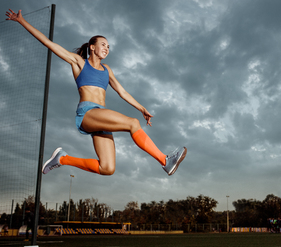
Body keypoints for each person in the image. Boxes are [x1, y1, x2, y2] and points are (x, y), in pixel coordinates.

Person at [6, 9, 186, 176]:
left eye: (108, 47)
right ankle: (165, 160)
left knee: (107, 168)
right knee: (133, 124)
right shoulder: (79, 62)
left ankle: (62, 158)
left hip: (101, 117)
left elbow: (122, 92)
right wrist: (22, 21)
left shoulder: (107, 70)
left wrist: (142, 108)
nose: (107, 48)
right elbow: (48, 43)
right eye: (103, 45)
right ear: (92, 47)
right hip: (88, 113)